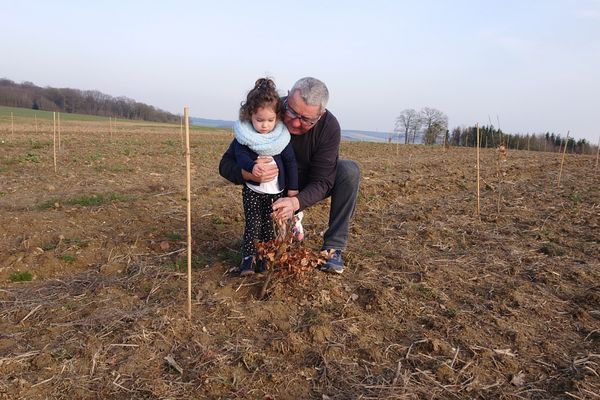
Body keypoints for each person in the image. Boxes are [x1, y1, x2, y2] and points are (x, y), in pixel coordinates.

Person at [220, 77, 360, 274]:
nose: (295, 122)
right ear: (286, 100)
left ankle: (333, 248)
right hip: (269, 186)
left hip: (303, 185)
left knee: (348, 171)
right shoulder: (267, 111)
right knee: (272, 245)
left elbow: (323, 180)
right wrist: (249, 174)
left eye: (306, 120)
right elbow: (225, 165)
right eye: (292, 111)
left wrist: (296, 202)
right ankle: (261, 248)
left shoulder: (329, 127)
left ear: (320, 115)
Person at [232, 78, 300, 276]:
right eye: (259, 120)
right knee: (252, 225)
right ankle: (248, 259)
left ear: (277, 118)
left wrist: (293, 190)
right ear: (249, 116)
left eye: (270, 121)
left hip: (276, 193)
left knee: (269, 227)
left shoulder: (281, 139)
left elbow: (291, 163)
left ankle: (265, 259)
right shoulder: (245, 137)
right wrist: (252, 167)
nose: (264, 126)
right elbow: (240, 155)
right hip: (253, 191)